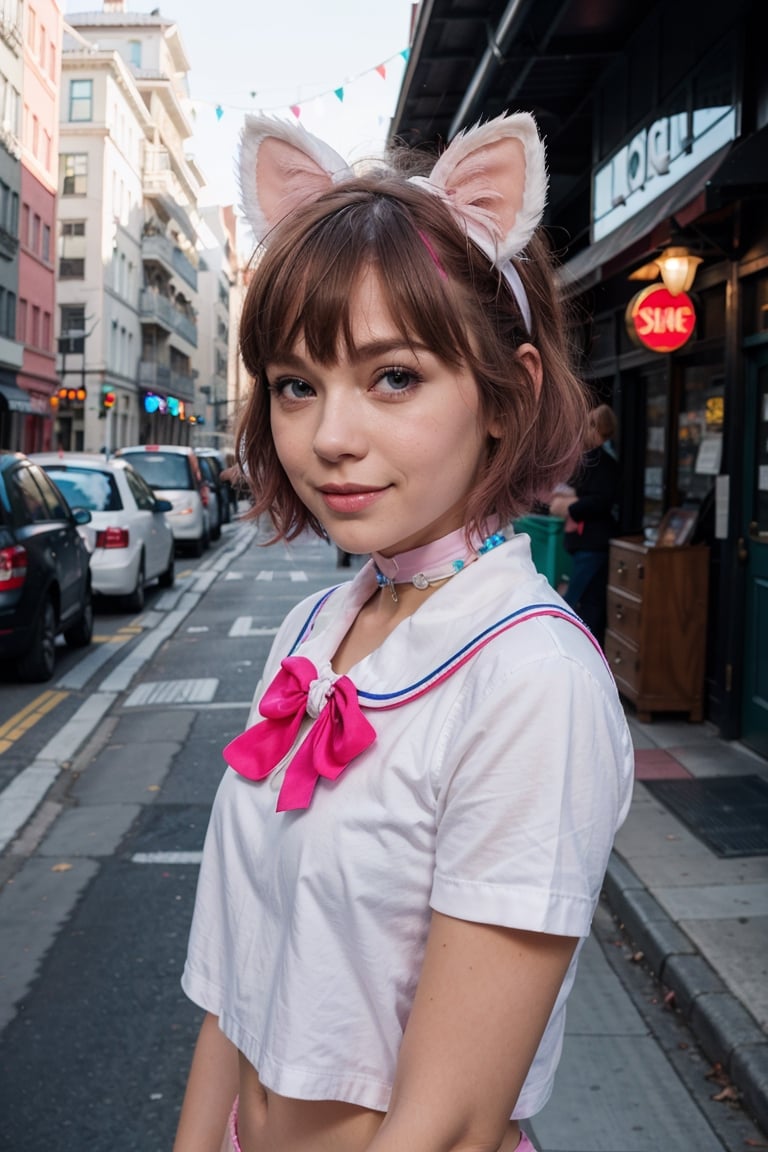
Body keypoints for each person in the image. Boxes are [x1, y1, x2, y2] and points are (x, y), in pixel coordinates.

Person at [173, 112, 634, 1152]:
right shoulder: (314, 626)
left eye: (394, 377)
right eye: (297, 385)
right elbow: (235, 1004)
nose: (330, 438)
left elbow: (454, 1122)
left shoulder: (531, 679)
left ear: (507, 394)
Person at [548, 404, 619, 647]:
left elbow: (599, 500)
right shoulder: (601, 460)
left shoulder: (597, 462)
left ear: (593, 428)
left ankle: (570, 648)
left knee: (573, 599)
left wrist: (571, 505)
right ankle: (590, 648)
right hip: (592, 540)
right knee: (591, 602)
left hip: (590, 540)